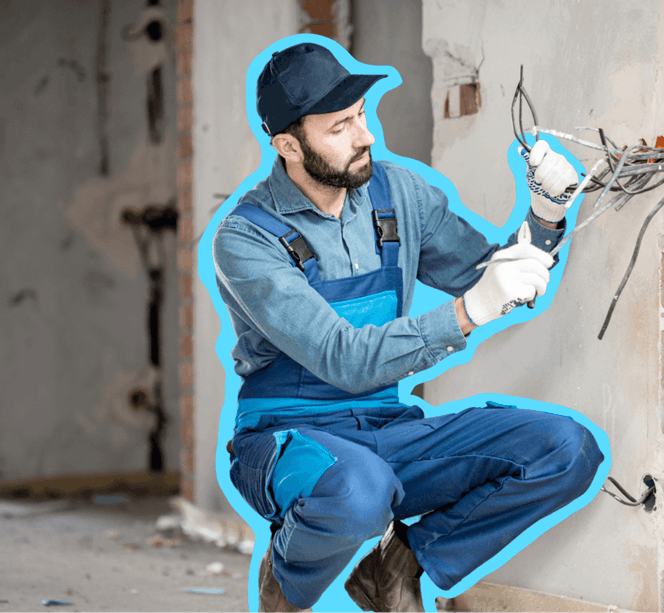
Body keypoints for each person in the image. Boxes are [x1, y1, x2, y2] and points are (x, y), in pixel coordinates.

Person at [213, 41, 605, 613]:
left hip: (385, 428)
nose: (365, 135)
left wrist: (546, 214)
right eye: (340, 127)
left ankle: (397, 565)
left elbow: (487, 273)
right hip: (286, 439)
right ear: (288, 146)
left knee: (566, 449)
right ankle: (286, 578)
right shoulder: (246, 239)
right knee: (360, 489)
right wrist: (470, 311)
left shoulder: (398, 194)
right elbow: (342, 357)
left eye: (361, 116)